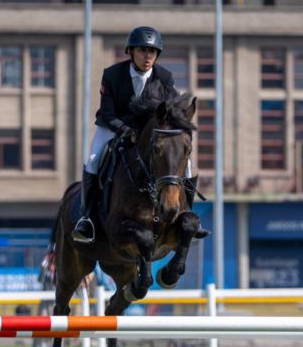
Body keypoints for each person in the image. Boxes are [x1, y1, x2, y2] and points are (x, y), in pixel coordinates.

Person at [72, 26, 208, 244]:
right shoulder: (112, 75)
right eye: (143, 50)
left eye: (152, 52)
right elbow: (107, 113)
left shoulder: (164, 77)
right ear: (131, 51)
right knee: (93, 159)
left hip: (147, 132)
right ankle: (87, 218)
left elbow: (172, 110)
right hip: (114, 126)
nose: (148, 56)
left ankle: (186, 212)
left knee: (188, 164)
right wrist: (126, 131)